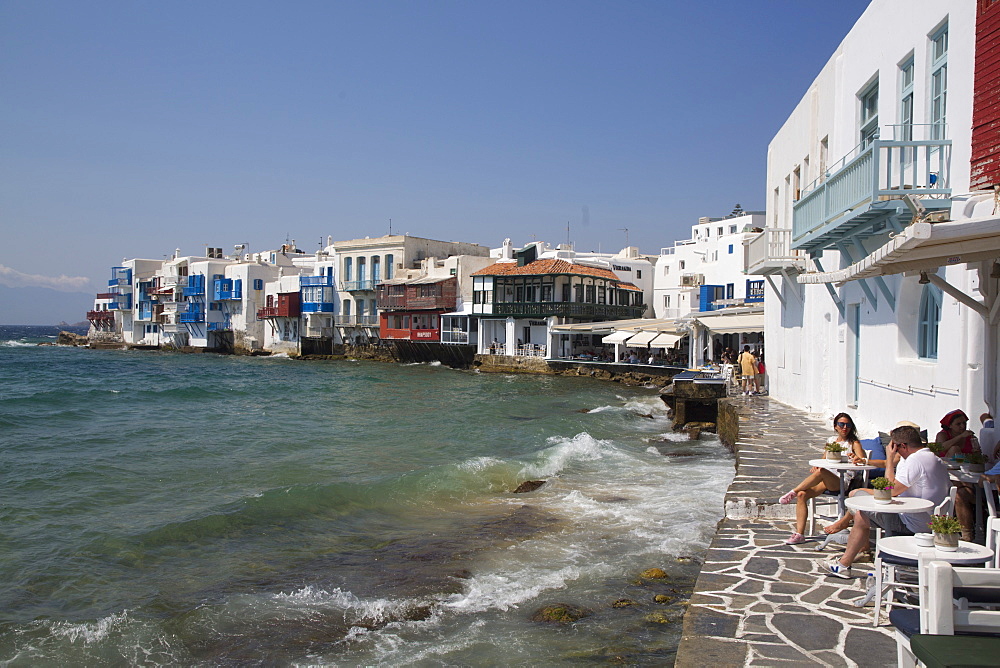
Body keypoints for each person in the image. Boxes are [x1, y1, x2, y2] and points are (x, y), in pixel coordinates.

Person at [823, 424, 950, 578]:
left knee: (862, 514)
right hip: (931, 521)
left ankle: (844, 564)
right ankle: (857, 553)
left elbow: (889, 491)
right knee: (860, 501)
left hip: (913, 524)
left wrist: (889, 459)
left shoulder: (915, 461)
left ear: (901, 446)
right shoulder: (934, 458)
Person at [779, 413, 866, 544]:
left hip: (842, 481)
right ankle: (799, 534)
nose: (844, 428)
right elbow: (824, 459)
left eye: (848, 425)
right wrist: (817, 466)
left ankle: (793, 492)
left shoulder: (854, 443)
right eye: (841, 425)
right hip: (826, 479)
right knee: (803, 495)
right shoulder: (831, 441)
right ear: (836, 426)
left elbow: (863, 460)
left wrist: (855, 458)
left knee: (822, 472)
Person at [935, 409, 982, 541]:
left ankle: (968, 534)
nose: (962, 426)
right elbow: (939, 449)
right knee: (961, 494)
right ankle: (967, 534)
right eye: (959, 424)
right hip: (947, 476)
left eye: (964, 423)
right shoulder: (943, 435)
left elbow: (976, 455)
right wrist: (960, 437)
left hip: (963, 477)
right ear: (950, 425)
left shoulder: (970, 438)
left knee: (962, 494)